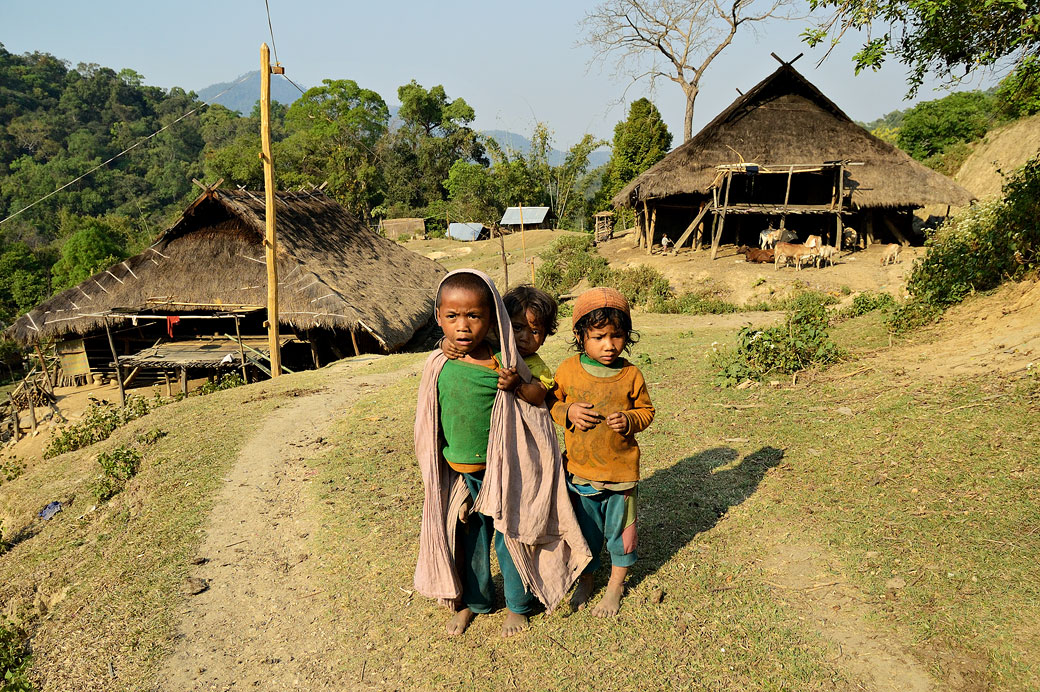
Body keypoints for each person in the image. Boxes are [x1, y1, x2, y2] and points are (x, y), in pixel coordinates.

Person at [413, 270, 591, 638]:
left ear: (490, 318)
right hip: (459, 474)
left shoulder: (505, 361)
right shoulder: (441, 360)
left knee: (510, 537)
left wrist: (516, 385)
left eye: (474, 316)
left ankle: (517, 605)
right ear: (438, 317)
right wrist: (443, 348)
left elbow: (537, 402)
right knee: (467, 541)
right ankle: (474, 604)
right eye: (452, 317)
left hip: (502, 470)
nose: (462, 327)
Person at [548, 287, 655, 617]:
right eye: (598, 337)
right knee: (585, 534)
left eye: (617, 336)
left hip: (621, 476)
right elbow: (551, 401)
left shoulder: (631, 375)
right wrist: (568, 412)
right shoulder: (567, 370)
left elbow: (647, 411)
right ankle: (587, 579)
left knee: (621, 537)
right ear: (580, 336)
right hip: (580, 474)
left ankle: (615, 588)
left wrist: (630, 419)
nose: (609, 345)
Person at [442, 285, 558, 406]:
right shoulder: (491, 343)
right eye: (517, 328)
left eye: (535, 332)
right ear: (501, 325)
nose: (525, 338)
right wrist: (445, 342)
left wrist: (518, 385)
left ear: (544, 337)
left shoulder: (535, 366)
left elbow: (539, 395)